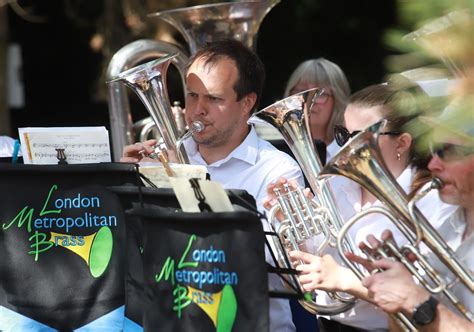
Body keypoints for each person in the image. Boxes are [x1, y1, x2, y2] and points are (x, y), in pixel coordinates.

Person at [121, 39, 304, 332]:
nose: (197, 110)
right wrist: (131, 184)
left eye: (214, 99)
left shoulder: (278, 170)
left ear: (247, 104)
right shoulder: (166, 160)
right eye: (192, 96)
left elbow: (287, 266)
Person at [264, 83, 457, 331]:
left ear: (402, 143)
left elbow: (426, 293)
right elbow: (314, 266)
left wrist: (348, 281)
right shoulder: (335, 185)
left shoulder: (429, 202)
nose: (346, 147)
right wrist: (291, 221)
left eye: (360, 137)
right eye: (343, 134)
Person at [346, 101, 474, 331]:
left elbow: (423, 310)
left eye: (449, 151)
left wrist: (417, 302)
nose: (433, 163)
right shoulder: (448, 228)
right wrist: (395, 294)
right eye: (435, 150)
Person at [256, 58, 351, 164]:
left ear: (338, 101)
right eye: (301, 91)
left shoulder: (351, 155)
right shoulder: (271, 153)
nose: (309, 100)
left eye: (320, 94)